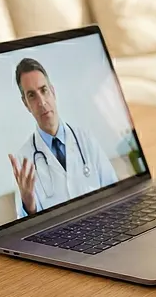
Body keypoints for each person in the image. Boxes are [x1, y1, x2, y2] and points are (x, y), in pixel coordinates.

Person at [8, 58, 120, 219]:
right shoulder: (23, 160)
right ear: (26, 104)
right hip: (56, 240)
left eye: (44, 90)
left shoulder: (86, 139)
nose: (41, 102)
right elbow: (26, 230)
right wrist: (28, 205)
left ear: (53, 92)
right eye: (32, 95)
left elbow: (115, 192)